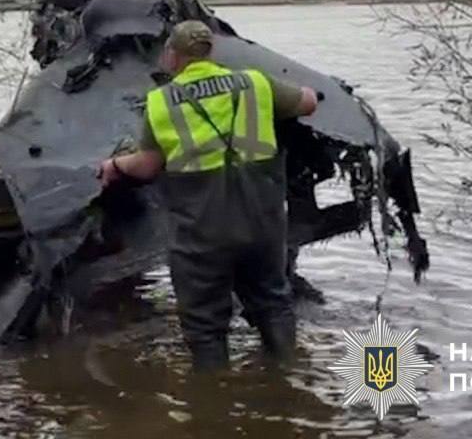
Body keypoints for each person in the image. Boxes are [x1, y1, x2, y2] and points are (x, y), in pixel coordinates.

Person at [98, 20, 320, 372]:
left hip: (201, 232)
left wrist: (114, 164)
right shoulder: (254, 82)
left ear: (172, 56)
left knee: (205, 326)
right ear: (210, 52)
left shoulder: (161, 102)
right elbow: (308, 102)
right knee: (273, 303)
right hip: (261, 224)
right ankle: (288, 376)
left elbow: (147, 166)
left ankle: (214, 399)